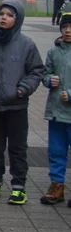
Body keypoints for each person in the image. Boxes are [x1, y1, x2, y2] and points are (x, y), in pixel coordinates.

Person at [0, 0, 45, 204]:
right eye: (1, 14)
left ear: (18, 19)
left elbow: (36, 71)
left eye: (9, 15)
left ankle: (18, 185)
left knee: (17, 147)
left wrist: (23, 89)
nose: (3, 18)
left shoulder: (26, 44)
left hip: (17, 106)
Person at [41, 13, 71, 204]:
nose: (68, 31)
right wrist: (48, 80)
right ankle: (57, 185)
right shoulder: (54, 51)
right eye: (65, 27)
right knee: (56, 150)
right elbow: (45, 73)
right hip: (56, 111)